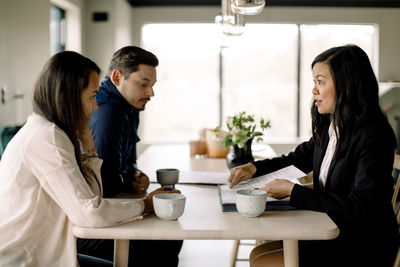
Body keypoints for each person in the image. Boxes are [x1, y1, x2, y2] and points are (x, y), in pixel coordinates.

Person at [0, 51, 178, 267]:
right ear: (69, 95)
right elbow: (90, 213)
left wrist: (88, 144)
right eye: (93, 97)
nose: (96, 107)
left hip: (48, 252)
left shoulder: (53, 132)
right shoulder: (47, 137)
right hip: (27, 260)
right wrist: (146, 205)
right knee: (155, 254)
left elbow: (93, 197)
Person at [228, 45, 400, 267]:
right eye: (314, 82)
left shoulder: (374, 135)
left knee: (264, 261)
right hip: (333, 230)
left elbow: (360, 209)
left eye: (320, 82)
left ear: (347, 84)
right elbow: (296, 159)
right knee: (258, 255)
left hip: (361, 245)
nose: (314, 90)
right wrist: (253, 168)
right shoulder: (333, 127)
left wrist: (293, 191)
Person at [77, 46, 183, 266]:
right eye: (143, 84)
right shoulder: (108, 111)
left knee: (170, 236)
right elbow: (106, 184)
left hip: (105, 207)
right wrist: (128, 181)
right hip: (85, 223)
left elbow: (127, 164)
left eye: (152, 86)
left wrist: (136, 176)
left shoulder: (130, 106)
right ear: (117, 77)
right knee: (162, 244)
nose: (151, 93)